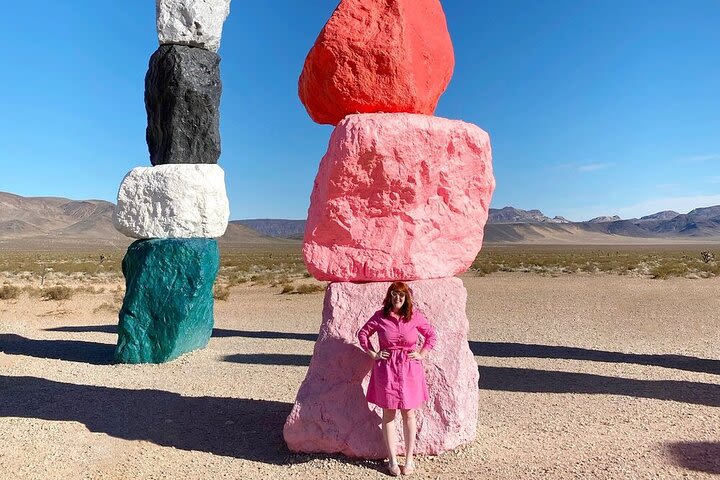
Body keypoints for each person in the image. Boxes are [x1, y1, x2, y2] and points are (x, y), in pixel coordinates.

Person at [357, 281, 437, 476]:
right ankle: (392, 460)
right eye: (394, 294)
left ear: (406, 297)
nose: (397, 298)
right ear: (389, 296)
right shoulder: (380, 316)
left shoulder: (415, 316)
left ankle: (409, 460)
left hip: (410, 369)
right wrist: (373, 353)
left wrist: (422, 353)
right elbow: (363, 334)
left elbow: (431, 335)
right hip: (387, 369)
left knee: (409, 414)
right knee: (389, 414)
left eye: (401, 295)